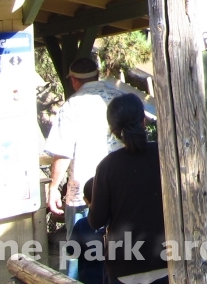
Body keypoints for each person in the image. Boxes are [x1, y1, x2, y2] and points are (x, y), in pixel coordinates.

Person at [44, 57, 122, 276]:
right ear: (97, 76)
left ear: (74, 81)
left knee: (78, 254)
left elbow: (63, 153)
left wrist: (53, 188)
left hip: (83, 192)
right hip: (119, 190)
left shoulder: (71, 106)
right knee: (120, 249)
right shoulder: (119, 99)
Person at [89, 94, 166, 284]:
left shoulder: (107, 166)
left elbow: (96, 220)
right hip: (167, 259)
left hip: (123, 264)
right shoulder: (166, 155)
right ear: (144, 120)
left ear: (113, 129)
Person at [69, 178, 105, 284]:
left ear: (85, 200)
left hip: (88, 278)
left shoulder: (81, 224)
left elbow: (72, 251)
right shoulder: (118, 224)